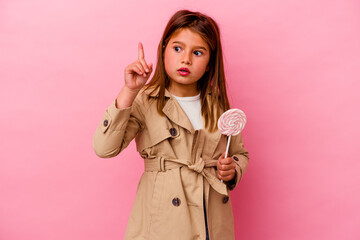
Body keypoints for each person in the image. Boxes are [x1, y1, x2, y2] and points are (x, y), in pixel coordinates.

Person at [93, 9, 249, 240]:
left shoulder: (219, 107)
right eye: (177, 48)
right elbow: (104, 148)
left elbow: (239, 153)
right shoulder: (145, 100)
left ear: (209, 63)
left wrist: (233, 169)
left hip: (212, 219)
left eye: (198, 52)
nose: (185, 59)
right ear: (163, 50)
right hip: (163, 222)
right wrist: (129, 90)